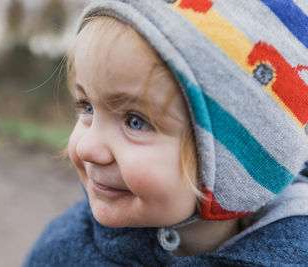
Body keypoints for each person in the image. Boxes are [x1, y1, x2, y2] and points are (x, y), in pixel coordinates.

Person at [24, 0, 308, 266]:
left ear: (237, 160)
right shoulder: (63, 252)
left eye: (135, 122)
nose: (87, 147)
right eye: (87, 107)